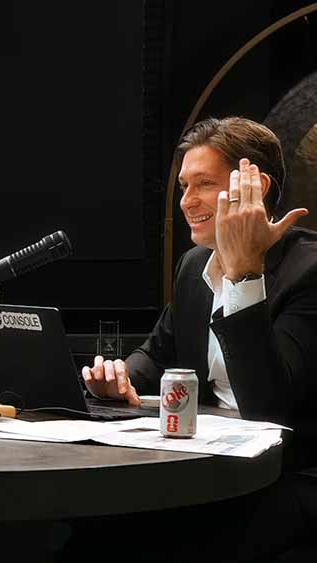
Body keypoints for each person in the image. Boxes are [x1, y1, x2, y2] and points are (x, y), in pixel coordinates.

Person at [73, 117, 317, 562]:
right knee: (90, 528)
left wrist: (244, 274)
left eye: (204, 184)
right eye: (185, 186)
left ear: (254, 187)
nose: (187, 201)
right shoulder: (194, 266)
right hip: (212, 464)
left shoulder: (310, 270)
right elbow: (157, 354)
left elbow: (268, 407)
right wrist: (121, 376)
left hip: (291, 473)